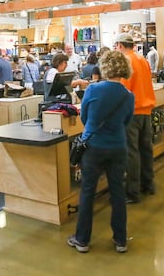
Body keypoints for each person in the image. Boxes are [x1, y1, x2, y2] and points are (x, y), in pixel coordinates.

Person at [67, 51, 135, 254]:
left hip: (94, 146)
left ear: (104, 67)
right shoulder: (128, 95)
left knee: (88, 192)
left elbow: (85, 118)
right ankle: (120, 240)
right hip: (118, 147)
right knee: (117, 193)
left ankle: (82, 239)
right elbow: (126, 122)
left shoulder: (93, 90)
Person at [115, 33, 156, 203]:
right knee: (146, 149)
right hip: (146, 110)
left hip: (131, 113)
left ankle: (132, 192)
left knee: (132, 153)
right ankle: (148, 184)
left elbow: (124, 90)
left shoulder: (126, 62)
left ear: (120, 45)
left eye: (116, 46)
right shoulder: (142, 60)